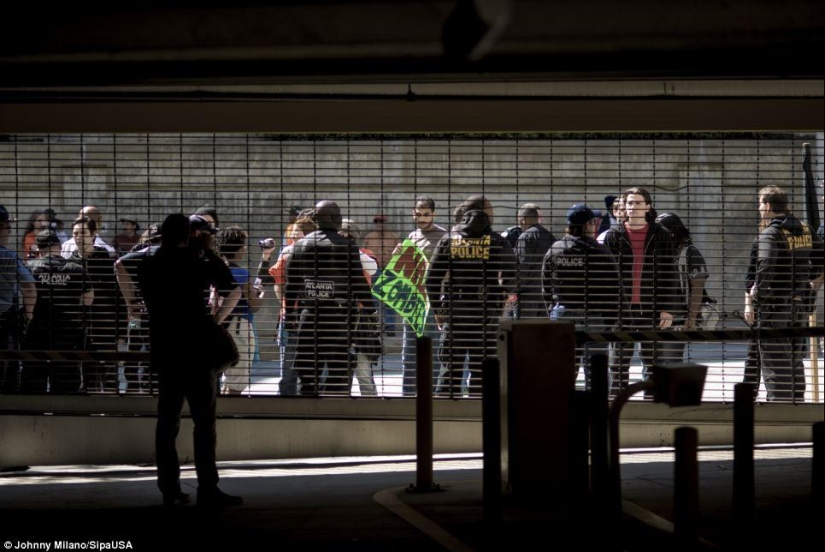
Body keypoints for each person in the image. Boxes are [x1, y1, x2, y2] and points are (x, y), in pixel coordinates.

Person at [137, 213, 243, 508]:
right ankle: (208, 487)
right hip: (197, 353)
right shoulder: (197, 262)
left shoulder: (149, 263)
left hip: (166, 350)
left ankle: (169, 489)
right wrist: (208, 249)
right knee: (204, 423)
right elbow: (227, 284)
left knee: (166, 424)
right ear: (189, 235)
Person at [426, 195, 517, 397]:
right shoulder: (496, 241)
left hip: (455, 311)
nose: (493, 213)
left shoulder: (449, 239)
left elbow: (431, 279)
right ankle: (480, 419)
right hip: (485, 312)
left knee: (450, 370)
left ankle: (445, 419)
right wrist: (501, 298)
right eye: (491, 209)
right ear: (483, 212)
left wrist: (439, 310)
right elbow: (512, 276)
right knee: (483, 371)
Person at [285, 200, 376, 396]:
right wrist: (371, 310)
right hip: (338, 318)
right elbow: (359, 282)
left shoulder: (300, 245)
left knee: (308, 377)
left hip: (308, 317)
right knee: (338, 374)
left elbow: (291, 284)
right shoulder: (346, 246)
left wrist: (289, 315)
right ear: (336, 219)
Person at [743, 185, 817, 402]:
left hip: (775, 308)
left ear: (767, 205)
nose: (759, 208)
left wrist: (758, 293)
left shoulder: (771, 233)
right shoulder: (805, 229)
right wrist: (806, 281)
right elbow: (820, 259)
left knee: (776, 363)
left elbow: (765, 265)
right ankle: (796, 406)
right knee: (794, 360)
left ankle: (779, 410)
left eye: (760, 204)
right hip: (798, 307)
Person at [602, 186, 679, 395]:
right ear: (623, 208)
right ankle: (615, 408)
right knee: (617, 364)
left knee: (652, 363)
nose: (633, 207)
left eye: (637, 203)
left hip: (651, 309)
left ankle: (651, 408)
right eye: (629, 203)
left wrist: (667, 309)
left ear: (648, 206)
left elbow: (669, 274)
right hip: (621, 311)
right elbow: (606, 276)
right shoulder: (613, 235)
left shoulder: (660, 235)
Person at [542, 204, 621, 388]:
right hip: (594, 316)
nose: (595, 225)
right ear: (587, 226)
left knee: (562, 370)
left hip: (563, 314)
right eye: (593, 222)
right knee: (596, 373)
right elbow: (614, 288)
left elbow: (546, 287)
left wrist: (553, 312)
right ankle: (596, 412)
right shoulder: (601, 252)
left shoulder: (556, 249)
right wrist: (611, 319)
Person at [21, 230, 92, 394]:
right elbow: (88, 296)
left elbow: (25, 293)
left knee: (34, 374)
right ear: (59, 247)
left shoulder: (29, 268)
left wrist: (29, 316)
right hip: (67, 330)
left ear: (38, 248)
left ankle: (32, 414)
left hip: (37, 329)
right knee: (66, 377)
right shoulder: (76, 269)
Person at [395, 196, 448, 396]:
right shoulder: (412, 236)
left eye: (427, 215)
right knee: (409, 351)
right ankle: (408, 394)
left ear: (434, 214)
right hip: (412, 301)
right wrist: (398, 253)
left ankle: (430, 393)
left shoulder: (444, 237)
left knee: (433, 351)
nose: (422, 218)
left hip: (433, 303)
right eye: (419, 215)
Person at [269, 214, 317, 396]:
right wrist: (285, 306)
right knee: (288, 364)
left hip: (312, 314)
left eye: (299, 232)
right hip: (292, 314)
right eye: (294, 232)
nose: (295, 235)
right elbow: (278, 283)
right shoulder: (287, 252)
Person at [655, 212, 710, 362]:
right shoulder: (657, 253)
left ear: (673, 232)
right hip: (654, 316)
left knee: (671, 361)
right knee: (652, 363)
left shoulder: (689, 253)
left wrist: (691, 319)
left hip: (678, 317)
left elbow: (697, 289)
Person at [217, 226, 264, 395]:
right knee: (237, 380)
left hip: (217, 326)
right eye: (243, 245)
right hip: (238, 328)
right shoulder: (241, 274)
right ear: (237, 249)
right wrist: (261, 294)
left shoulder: (215, 270)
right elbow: (254, 305)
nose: (245, 248)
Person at [340, 218, 379, 396]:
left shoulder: (364, 253)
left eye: (345, 236)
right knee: (339, 371)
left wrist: (350, 250)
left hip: (361, 318)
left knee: (363, 371)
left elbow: (372, 269)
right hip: (338, 315)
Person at [0, 205, 37, 393]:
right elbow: (29, 287)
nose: (9, 232)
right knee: (7, 367)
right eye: (8, 227)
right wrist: (29, 315)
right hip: (5, 319)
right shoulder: (7, 256)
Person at [514, 203, 557, 318]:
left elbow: (522, 266)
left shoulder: (525, 237)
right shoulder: (550, 236)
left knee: (523, 332)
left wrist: (514, 290)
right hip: (545, 295)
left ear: (523, 220)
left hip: (527, 296)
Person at [363, 213, 400, 335]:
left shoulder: (394, 237)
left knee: (389, 300)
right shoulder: (369, 237)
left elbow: (400, 254)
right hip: (375, 271)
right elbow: (363, 253)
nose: (379, 224)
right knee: (374, 299)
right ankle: (375, 326)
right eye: (376, 221)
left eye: (381, 221)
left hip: (390, 271)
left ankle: (389, 327)